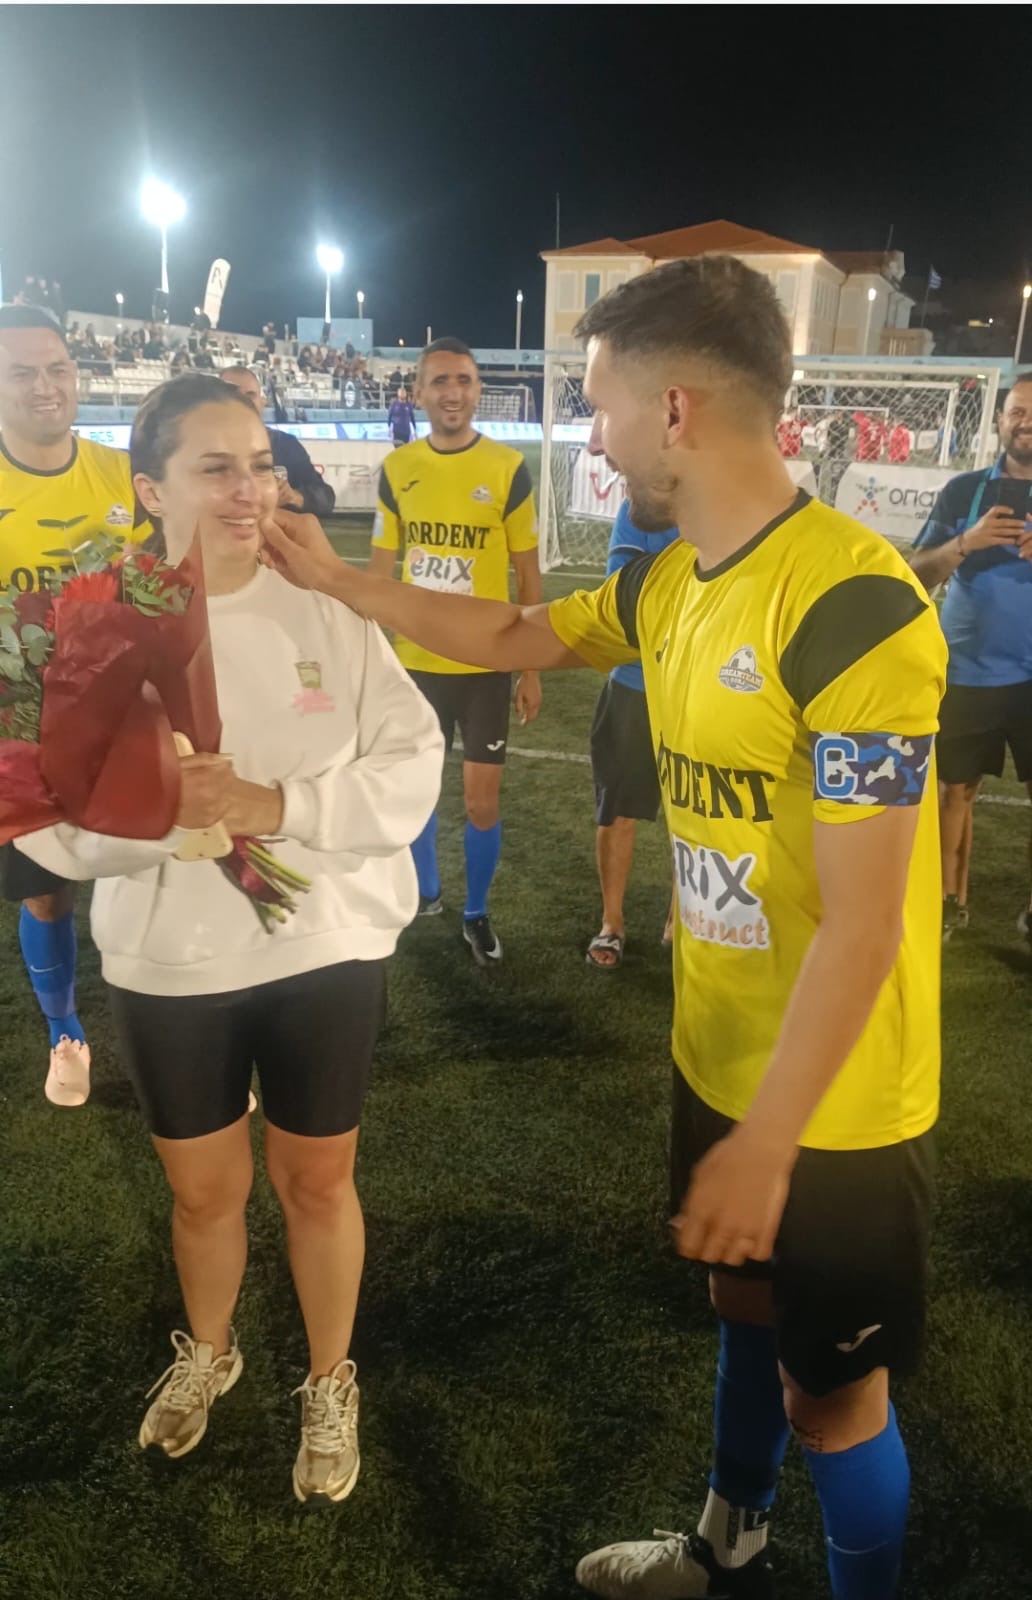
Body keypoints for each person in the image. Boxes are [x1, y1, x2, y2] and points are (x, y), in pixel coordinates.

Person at [261, 257, 946, 1600]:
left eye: (599, 405)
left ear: (675, 408)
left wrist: (769, 1140)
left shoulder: (857, 605)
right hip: (718, 1054)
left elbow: (867, 927)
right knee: (739, 1308)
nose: (593, 435)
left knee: (832, 1401)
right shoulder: (670, 580)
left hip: (840, 1107)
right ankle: (727, 1545)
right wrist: (344, 584)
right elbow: (515, 630)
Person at [13, 373, 443, 1503]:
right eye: (216, 468)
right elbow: (46, 818)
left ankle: (330, 1377)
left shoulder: (330, 607)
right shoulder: (85, 627)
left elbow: (412, 763)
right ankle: (211, 1350)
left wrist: (275, 806)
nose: (251, 489)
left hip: (327, 951)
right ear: (149, 488)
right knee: (204, 1196)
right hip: (173, 963)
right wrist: (162, 820)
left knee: (318, 1183)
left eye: (260, 465)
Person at [0, 302, 148, 1108]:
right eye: (21, 371)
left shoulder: (123, 476)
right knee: (46, 888)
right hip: (20, 734)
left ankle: (173, 1032)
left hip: (123, 722)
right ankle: (64, 1032)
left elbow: (162, 590)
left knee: (151, 876)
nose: (44, 385)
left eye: (57, 368)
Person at [366, 336, 543, 966]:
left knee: (479, 801)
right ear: (418, 392)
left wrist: (530, 665)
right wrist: (372, 658)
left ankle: (476, 911)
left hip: (486, 664)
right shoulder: (397, 470)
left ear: (477, 390)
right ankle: (427, 891)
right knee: (417, 792)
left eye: (463, 380)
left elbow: (528, 575)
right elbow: (380, 572)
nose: (453, 392)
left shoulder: (507, 467)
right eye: (440, 380)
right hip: (416, 663)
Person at [910, 373, 1032, 940]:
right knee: (952, 792)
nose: (1025, 423)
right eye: (1017, 411)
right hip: (967, 672)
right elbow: (915, 575)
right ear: (1000, 419)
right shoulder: (964, 491)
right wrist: (966, 542)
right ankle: (945, 902)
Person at [586, 498, 679, 970]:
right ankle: (612, 922)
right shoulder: (640, 508)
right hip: (634, 685)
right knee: (617, 811)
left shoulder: (723, 508)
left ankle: (680, 920)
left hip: (698, 689)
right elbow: (621, 594)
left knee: (696, 817)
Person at [221, 365, 336, 517]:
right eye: (234, 395)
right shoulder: (198, 446)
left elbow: (326, 498)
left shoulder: (285, 444)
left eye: (250, 395)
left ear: (262, 402)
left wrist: (294, 496)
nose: (244, 402)